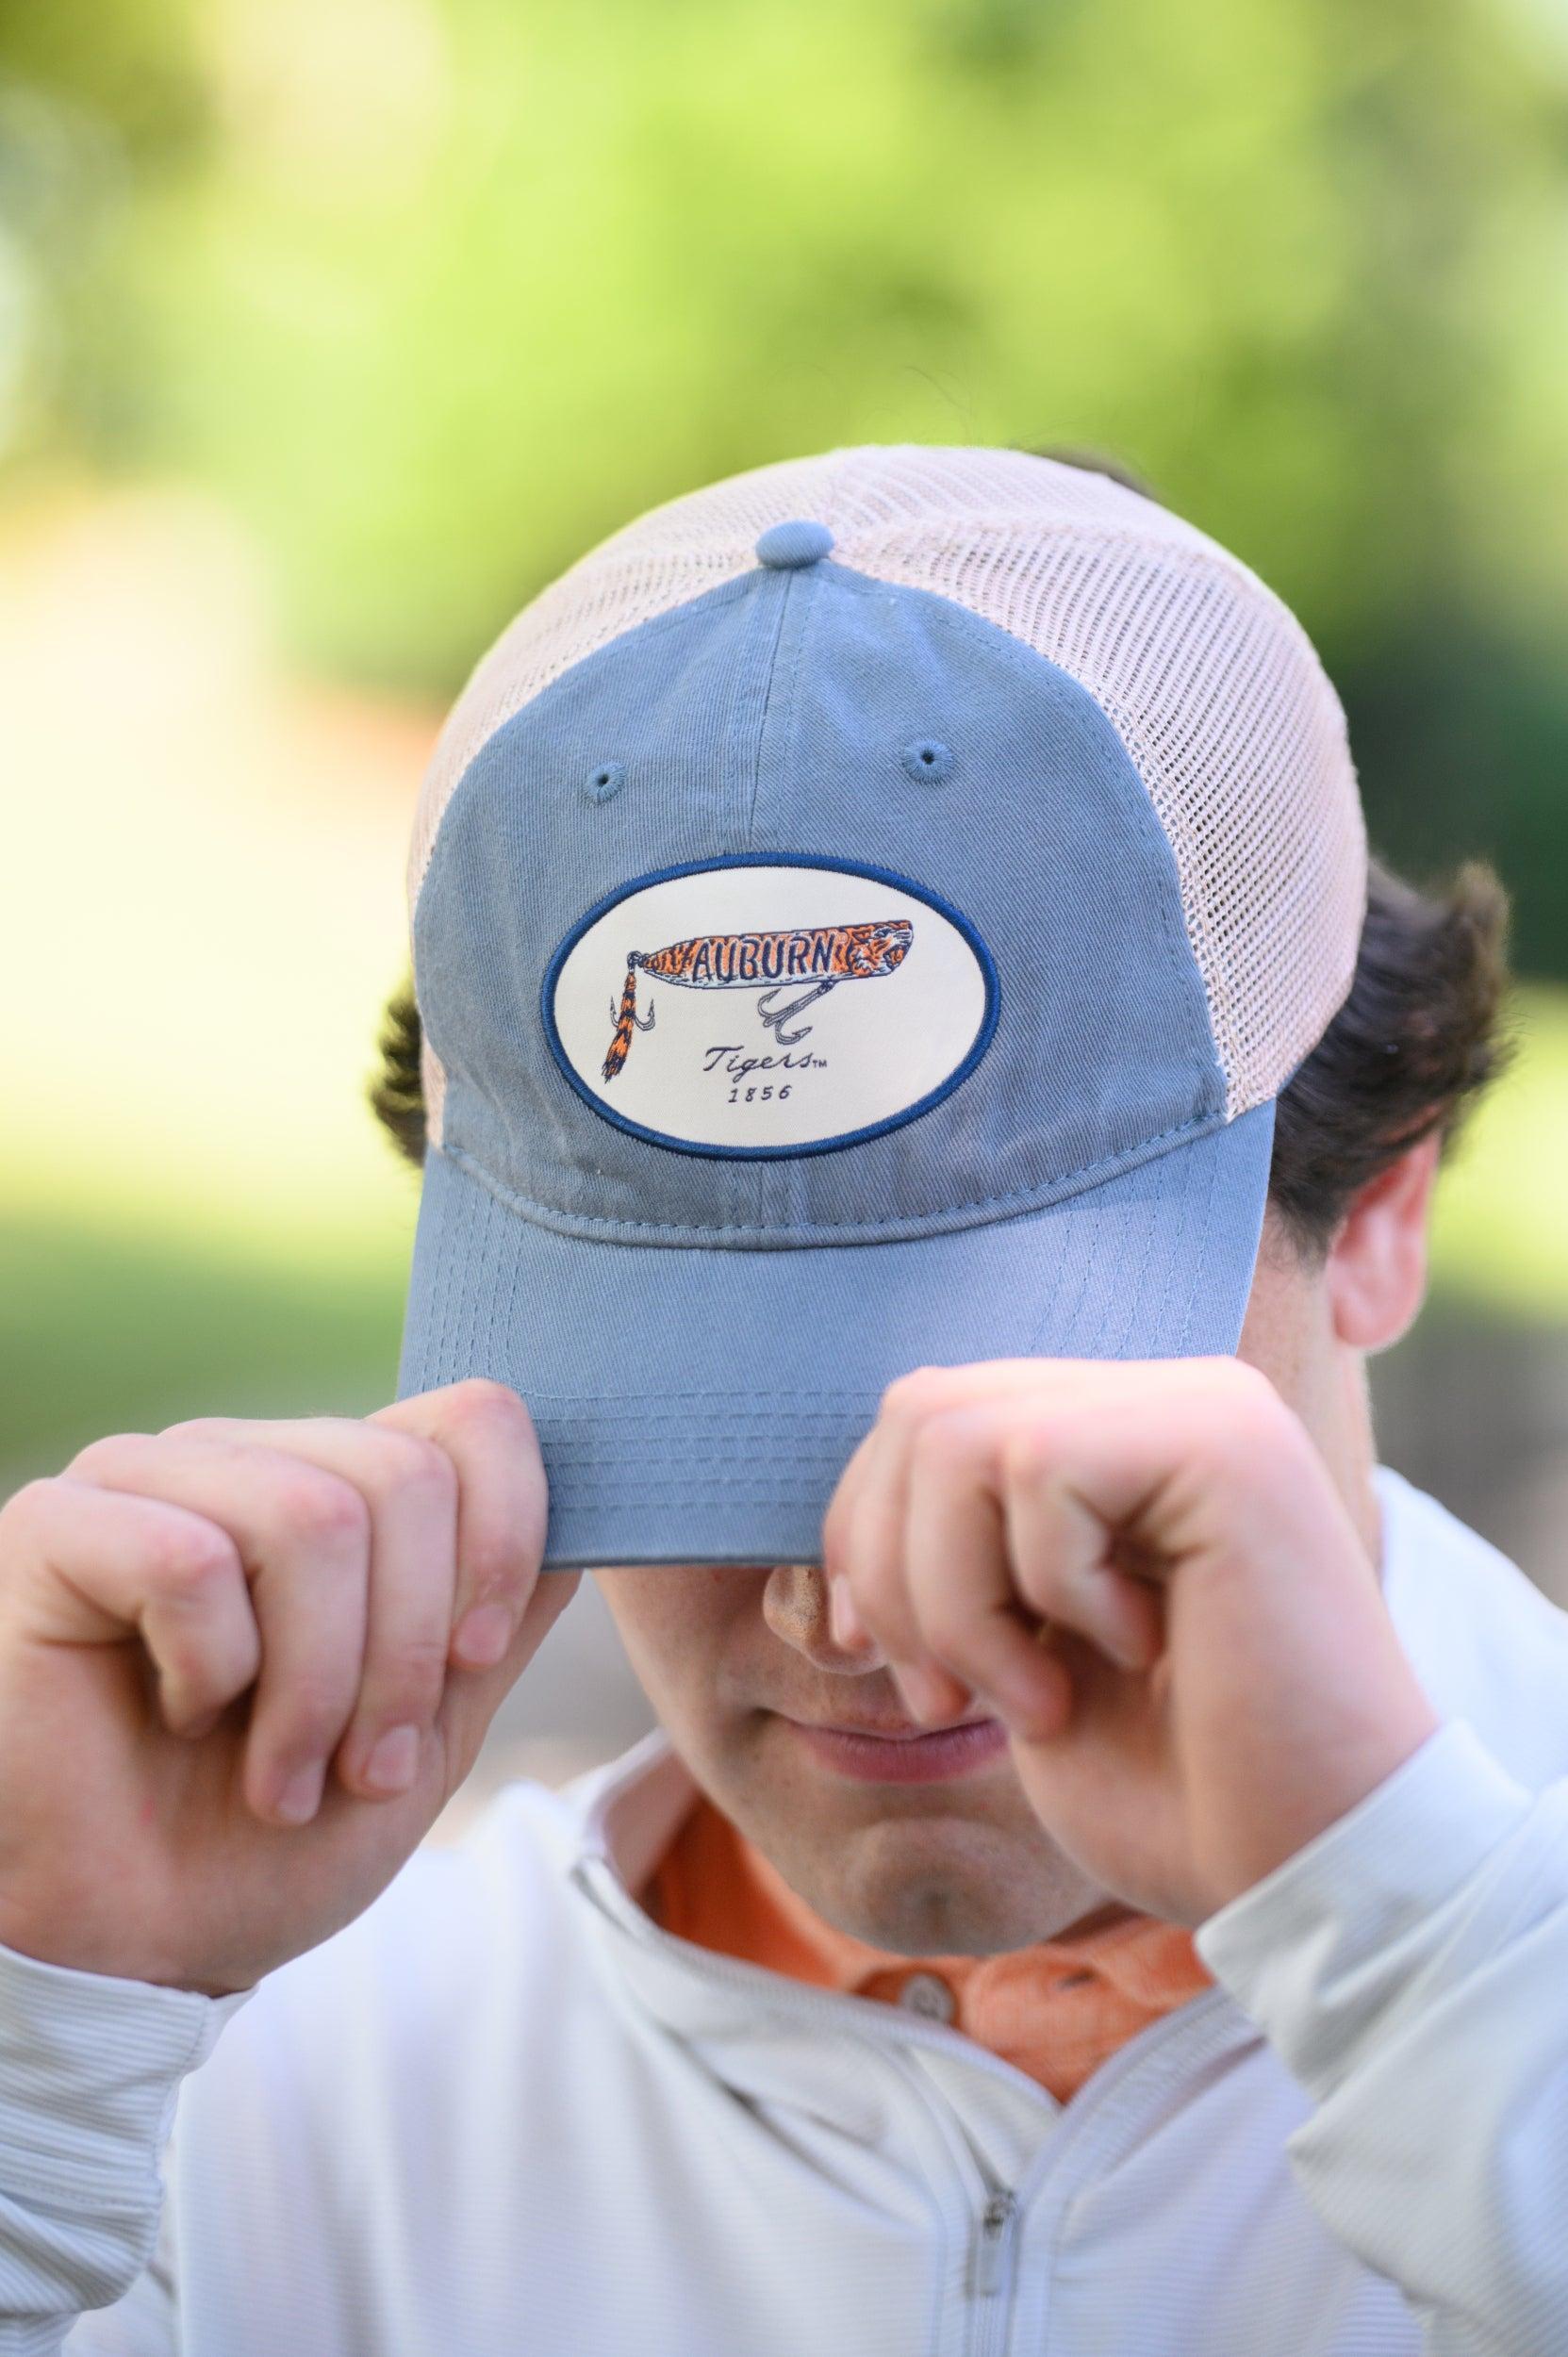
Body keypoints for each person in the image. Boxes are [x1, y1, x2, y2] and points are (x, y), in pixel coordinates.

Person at [0, 444, 1561, 2357]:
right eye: (702, 1420)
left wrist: (1421, 1958)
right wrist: (35, 2055)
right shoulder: (243, 2081)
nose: (854, 1615)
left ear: (1381, 1210)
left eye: (1018, 1456)